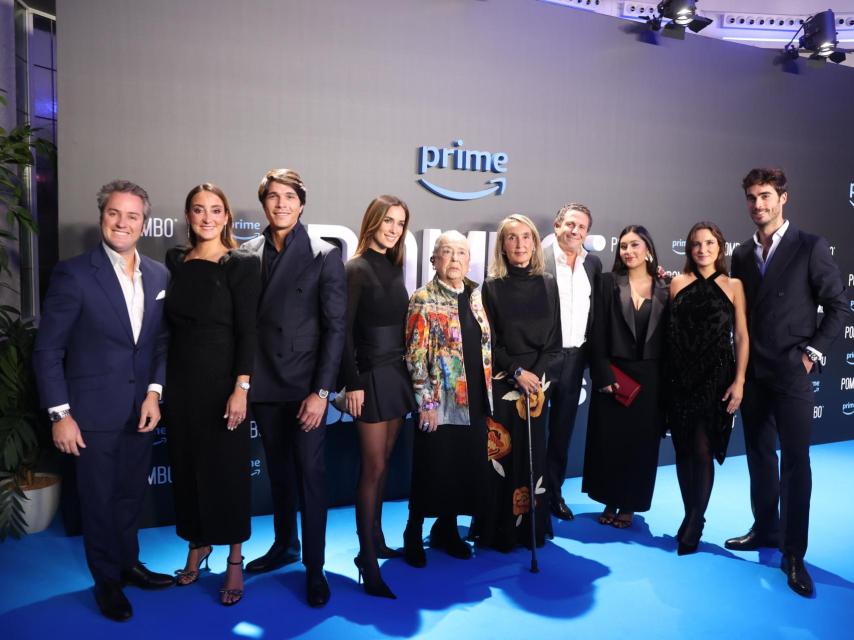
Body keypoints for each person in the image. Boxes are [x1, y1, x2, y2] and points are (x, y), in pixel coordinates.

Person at [32, 180, 174, 621]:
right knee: (98, 501)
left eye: (132, 216)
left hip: (140, 411)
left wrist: (155, 392)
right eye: (115, 213)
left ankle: (129, 564)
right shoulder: (74, 273)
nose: (122, 223)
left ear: (144, 224)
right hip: (90, 414)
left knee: (131, 496)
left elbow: (160, 344)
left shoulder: (159, 275)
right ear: (101, 218)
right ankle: (107, 582)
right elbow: (48, 349)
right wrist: (61, 414)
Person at [726, 168, 849, 597]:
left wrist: (812, 355)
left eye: (765, 196)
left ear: (783, 198)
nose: (757, 205)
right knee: (760, 456)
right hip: (754, 373)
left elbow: (838, 306)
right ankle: (765, 530)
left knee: (796, 463)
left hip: (793, 372)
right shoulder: (741, 254)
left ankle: (794, 553)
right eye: (751, 198)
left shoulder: (810, 246)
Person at [241, 168, 346, 607]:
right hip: (263, 383)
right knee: (279, 473)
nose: (280, 204)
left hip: (306, 387)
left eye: (289, 197)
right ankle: (285, 544)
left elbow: (336, 328)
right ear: (263, 203)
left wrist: (321, 392)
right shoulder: (245, 253)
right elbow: (242, 325)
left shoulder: (324, 254)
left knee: (311, 477)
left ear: (302, 204)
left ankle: (315, 568)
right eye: (272, 197)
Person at [163, 184, 260, 605]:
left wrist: (241, 388)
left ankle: (235, 560)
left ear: (226, 217)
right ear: (188, 215)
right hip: (180, 380)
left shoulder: (241, 263)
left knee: (227, 470)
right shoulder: (175, 260)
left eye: (215, 210)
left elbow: (248, 331)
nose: (206, 217)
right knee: (186, 466)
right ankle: (197, 545)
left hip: (224, 381)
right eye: (198, 210)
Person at [339, 195, 417, 599]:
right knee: (371, 468)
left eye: (400, 223)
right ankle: (367, 560)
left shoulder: (392, 266)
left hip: (396, 374)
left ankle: (378, 538)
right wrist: (351, 383)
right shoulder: (355, 269)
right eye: (388, 221)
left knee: (384, 464)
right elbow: (343, 332)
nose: (393, 228)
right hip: (367, 376)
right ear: (372, 221)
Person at [404, 231, 493, 567]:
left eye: (461, 253)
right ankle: (413, 532)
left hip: (473, 400)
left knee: (461, 469)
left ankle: (448, 530)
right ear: (434, 260)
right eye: (447, 252)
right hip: (438, 403)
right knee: (431, 468)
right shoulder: (423, 298)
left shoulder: (475, 294)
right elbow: (414, 355)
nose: (454, 259)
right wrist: (425, 403)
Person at [477, 214, 561, 551]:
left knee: (533, 458)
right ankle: (499, 530)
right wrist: (516, 372)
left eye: (526, 237)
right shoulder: (492, 287)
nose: (520, 244)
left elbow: (555, 341)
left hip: (537, 386)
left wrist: (536, 377)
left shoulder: (548, 283)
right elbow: (489, 343)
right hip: (503, 380)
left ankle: (532, 529)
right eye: (512, 238)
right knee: (501, 457)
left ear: (535, 242)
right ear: (503, 246)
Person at [666, 222, 748, 555]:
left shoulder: (734, 285)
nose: (703, 249)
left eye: (709, 243)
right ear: (689, 249)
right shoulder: (676, 283)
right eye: (697, 244)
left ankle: (696, 522)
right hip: (679, 378)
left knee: (702, 450)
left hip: (716, 378)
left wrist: (739, 380)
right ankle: (689, 516)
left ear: (720, 247)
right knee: (684, 451)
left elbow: (742, 336)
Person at [583, 225, 669, 529]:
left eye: (635, 245)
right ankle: (609, 498)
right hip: (614, 373)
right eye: (623, 246)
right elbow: (597, 331)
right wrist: (602, 373)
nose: (628, 251)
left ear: (647, 248)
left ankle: (630, 504)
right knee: (610, 441)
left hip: (651, 378)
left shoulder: (667, 287)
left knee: (641, 445)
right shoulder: (607, 283)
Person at [543, 203, 602, 521]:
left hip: (576, 359)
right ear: (556, 225)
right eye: (569, 224)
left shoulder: (593, 263)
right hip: (543, 358)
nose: (574, 230)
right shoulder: (538, 260)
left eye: (581, 227)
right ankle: (525, 496)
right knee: (532, 432)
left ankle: (553, 494)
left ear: (587, 233)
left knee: (562, 432)